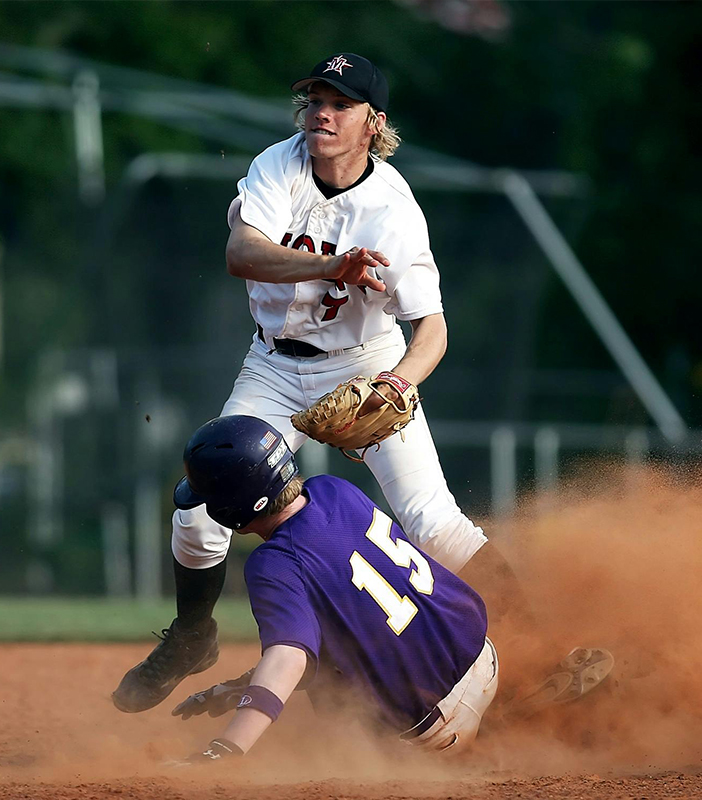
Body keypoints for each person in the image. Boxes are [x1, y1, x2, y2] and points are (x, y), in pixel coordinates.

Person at [112, 52, 611, 715]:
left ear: (373, 123)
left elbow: (431, 330)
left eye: (340, 104)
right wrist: (337, 266)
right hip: (271, 365)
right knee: (201, 503)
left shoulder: (393, 212)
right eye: (315, 98)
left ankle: (547, 654)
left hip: (362, 363)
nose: (321, 112)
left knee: (434, 522)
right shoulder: (278, 165)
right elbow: (241, 254)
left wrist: (397, 386)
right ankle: (193, 634)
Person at [166, 415, 498, 760]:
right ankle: (508, 714)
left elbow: (290, 658)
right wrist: (241, 687)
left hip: (436, 726)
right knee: (332, 633)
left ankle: (454, 751)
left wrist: (226, 749)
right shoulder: (333, 489)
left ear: (230, 508)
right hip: (485, 657)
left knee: (331, 701)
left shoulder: (273, 562)